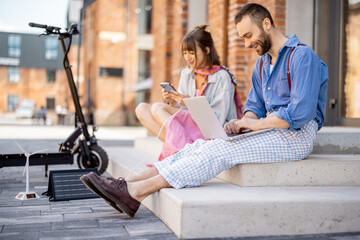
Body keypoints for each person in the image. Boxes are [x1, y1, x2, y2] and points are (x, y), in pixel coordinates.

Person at [80, 3, 328, 218]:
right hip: (271, 130)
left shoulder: (302, 56)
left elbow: (300, 113)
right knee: (201, 145)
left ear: (266, 23)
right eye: (243, 37)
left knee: (220, 150)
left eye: (249, 35)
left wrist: (256, 124)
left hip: (297, 135)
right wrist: (243, 122)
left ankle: (136, 193)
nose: (247, 43)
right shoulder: (262, 65)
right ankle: (126, 183)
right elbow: (254, 107)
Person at [135, 25, 242, 160]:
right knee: (142, 109)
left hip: (210, 130)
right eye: (185, 53)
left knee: (157, 108)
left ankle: (179, 153)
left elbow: (217, 119)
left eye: (192, 52)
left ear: (207, 50)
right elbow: (182, 113)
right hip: (189, 129)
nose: (188, 57)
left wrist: (190, 102)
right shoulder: (187, 73)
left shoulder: (222, 76)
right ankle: (183, 151)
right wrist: (173, 101)